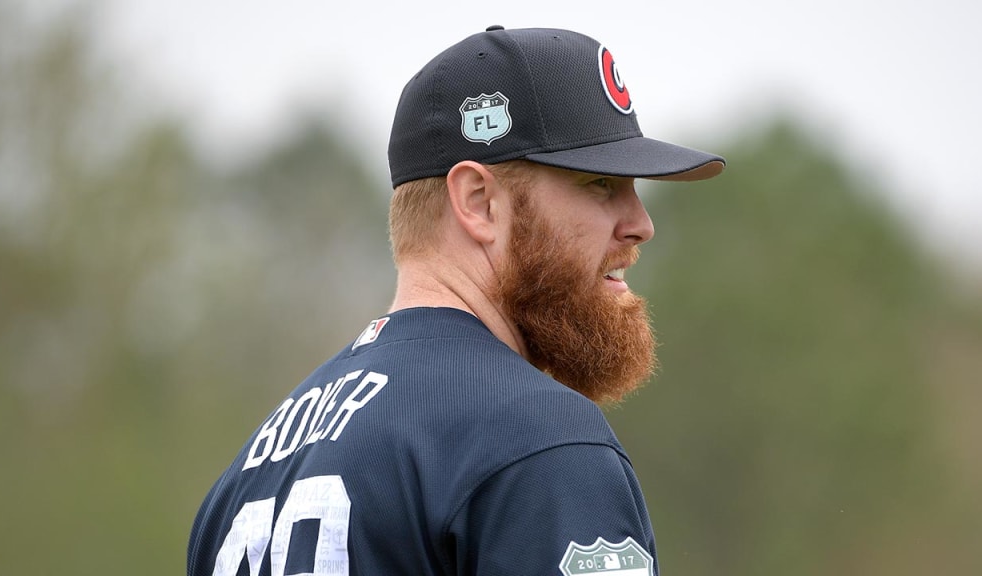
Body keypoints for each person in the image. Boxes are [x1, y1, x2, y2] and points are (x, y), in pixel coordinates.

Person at [187, 25, 724, 576]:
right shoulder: (534, 437)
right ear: (479, 202)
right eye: (598, 183)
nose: (641, 224)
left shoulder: (249, 474)